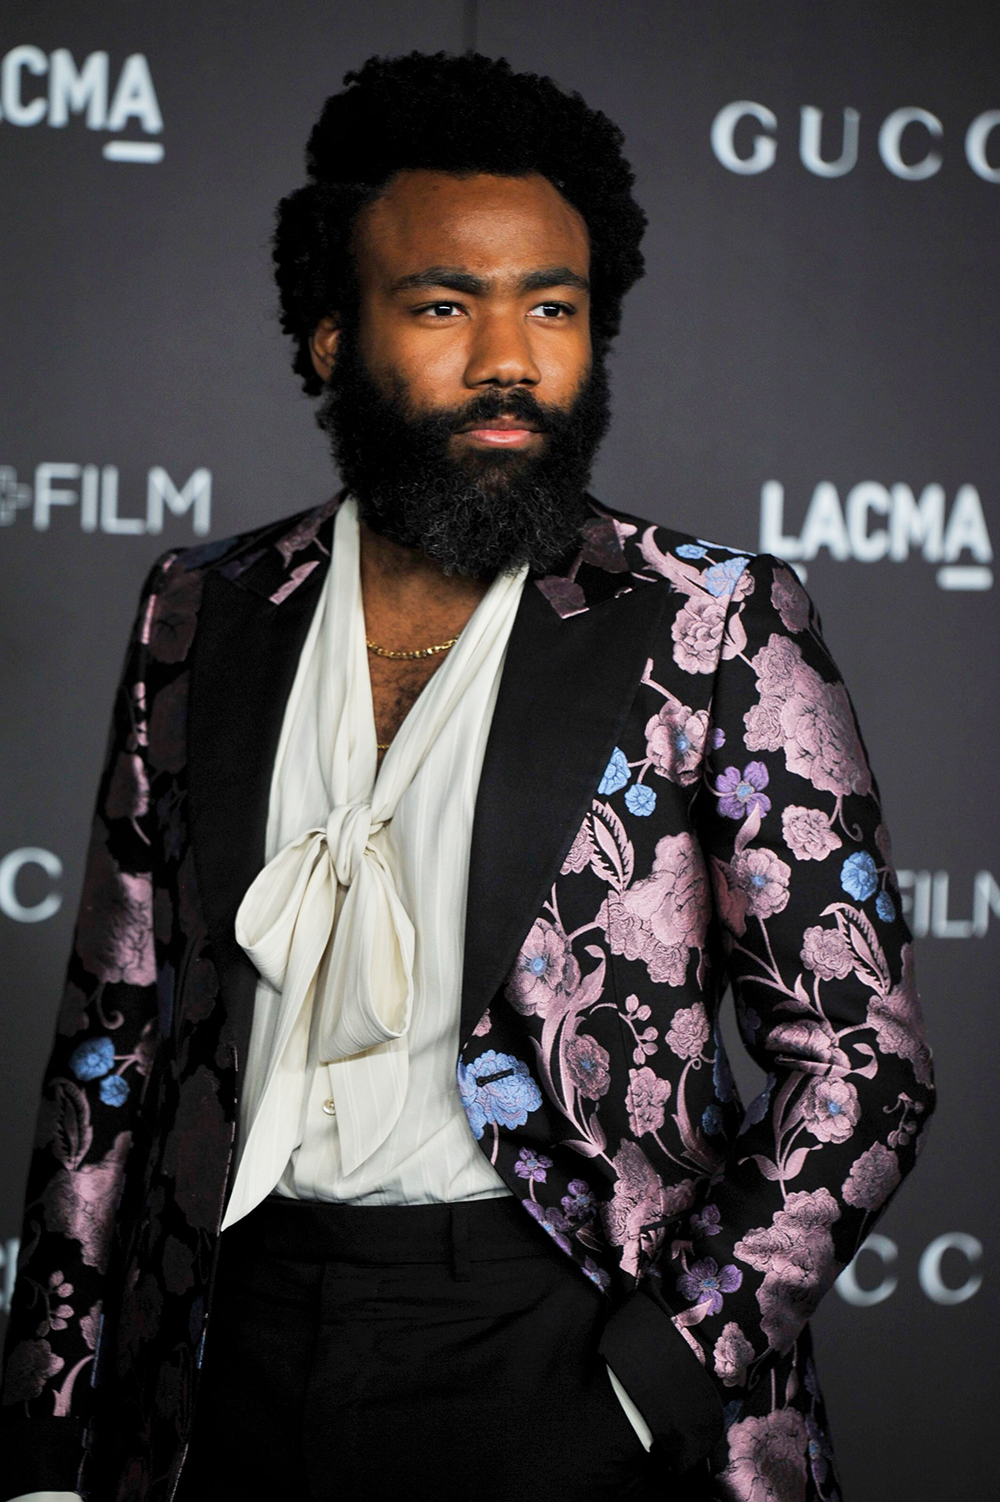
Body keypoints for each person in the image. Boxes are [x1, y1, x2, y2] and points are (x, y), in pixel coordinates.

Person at [0, 51, 934, 1502]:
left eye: (551, 307)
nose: (511, 356)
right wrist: (48, 1436)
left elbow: (864, 1065)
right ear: (328, 335)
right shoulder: (198, 605)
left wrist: (660, 1373)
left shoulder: (711, 616)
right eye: (445, 304)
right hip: (229, 1343)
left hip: (560, 1345)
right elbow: (110, 1047)